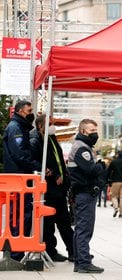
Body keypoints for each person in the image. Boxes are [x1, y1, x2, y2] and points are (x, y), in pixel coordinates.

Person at [30, 114, 74, 262]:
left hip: (59, 188)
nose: (53, 126)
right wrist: (52, 174)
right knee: (49, 223)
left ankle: (73, 250)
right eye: (50, 123)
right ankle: (51, 250)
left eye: (53, 123)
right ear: (40, 126)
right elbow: (35, 163)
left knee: (64, 221)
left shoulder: (51, 139)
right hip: (48, 188)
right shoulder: (36, 140)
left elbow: (58, 160)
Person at [2, 100, 41, 261]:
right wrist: (38, 165)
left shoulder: (20, 127)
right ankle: (16, 252)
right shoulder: (16, 128)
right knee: (19, 214)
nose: (31, 113)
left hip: (20, 177)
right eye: (29, 110)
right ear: (19, 111)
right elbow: (20, 154)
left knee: (21, 213)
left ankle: (17, 251)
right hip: (18, 178)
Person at [67, 119, 105, 273]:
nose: (95, 133)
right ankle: (83, 263)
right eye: (91, 130)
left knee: (80, 229)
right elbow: (92, 170)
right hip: (84, 193)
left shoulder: (83, 146)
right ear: (82, 131)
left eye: (96, 129)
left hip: (82, 192)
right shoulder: (81, 149)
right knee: (84, 229)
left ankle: (80, 261)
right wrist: (101, 166)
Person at [107, 151, 122, 218]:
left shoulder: (114, 162)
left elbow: (109, 171)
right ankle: (121, 213)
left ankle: (116, 208)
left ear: (117, 155)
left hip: (115, 181)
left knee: (114, 196)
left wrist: (108, 179)